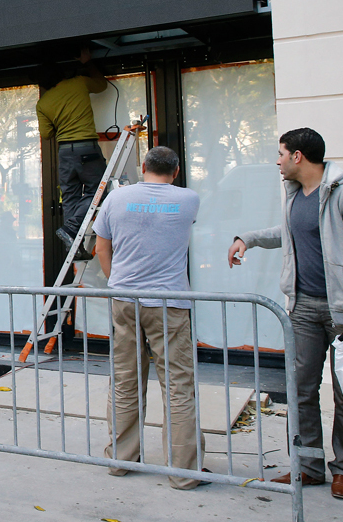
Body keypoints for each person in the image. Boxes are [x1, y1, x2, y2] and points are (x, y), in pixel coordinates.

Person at [228, 128, 343, 500]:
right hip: (301, 307)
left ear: (299, 156)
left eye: (281, 154)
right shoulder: (296, 195)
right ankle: (309, 467)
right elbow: (287, 233)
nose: (278, 161)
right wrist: (247, 238)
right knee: (300, 390)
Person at [93, 146, 204, 490]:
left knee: (126, 379)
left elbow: (101, 247)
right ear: (177, 170)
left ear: (143, 167)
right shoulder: (189, 199)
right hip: (169, 302)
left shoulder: (116, 198)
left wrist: (116, 284)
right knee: (177, 384)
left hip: (125, 299)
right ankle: (183, 471)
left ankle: (121, 459)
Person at [37, 46, 109, 260]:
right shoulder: (78, 83)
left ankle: (74, 248)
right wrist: (87, 62)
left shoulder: (43, 103)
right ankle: (70, 230)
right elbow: (102, 85)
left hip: (65, 152)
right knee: (99, 191)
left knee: (69, 197)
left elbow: (46, 133)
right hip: (86, 148)